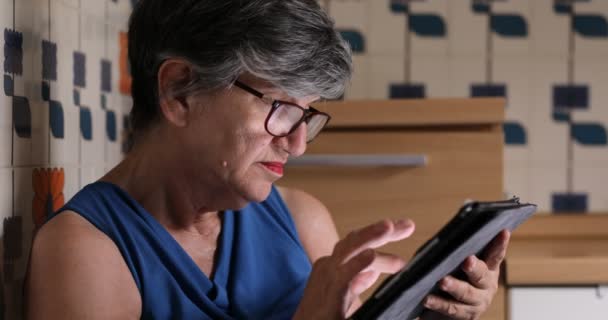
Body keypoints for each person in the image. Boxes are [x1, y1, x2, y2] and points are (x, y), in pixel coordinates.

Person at [25, 1, 510, 319]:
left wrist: (433, 313)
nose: (297, 144)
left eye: (308, 115)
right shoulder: (86, 251)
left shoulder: (302, 219)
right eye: (279, 108)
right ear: (179, 91)